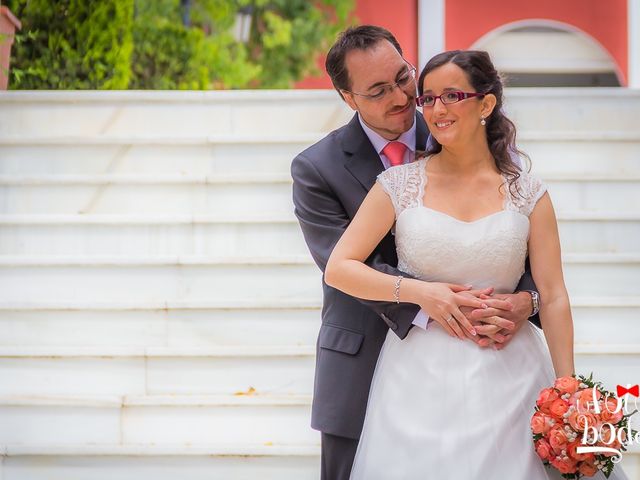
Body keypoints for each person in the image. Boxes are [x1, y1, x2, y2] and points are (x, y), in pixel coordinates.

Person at [324, 50, 629, 479]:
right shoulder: (399, 184)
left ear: (486, 104)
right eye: (427, 99)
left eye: (452, 95)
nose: (436, 109)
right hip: (417, 379)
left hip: (513, 372)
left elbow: (554, 294)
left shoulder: (528, 192)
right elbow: (339, 267)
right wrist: (420, 292)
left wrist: (569, 388)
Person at [291, 26, 541, 480]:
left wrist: (527, 299)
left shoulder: (459, 123)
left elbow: (511, 227)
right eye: (378, 91)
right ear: (348, 98)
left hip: (492, 356)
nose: (404, 97)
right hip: (366, 360)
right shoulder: (317, 169)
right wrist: (430, 298)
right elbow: (342, 265)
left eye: (403, 77)